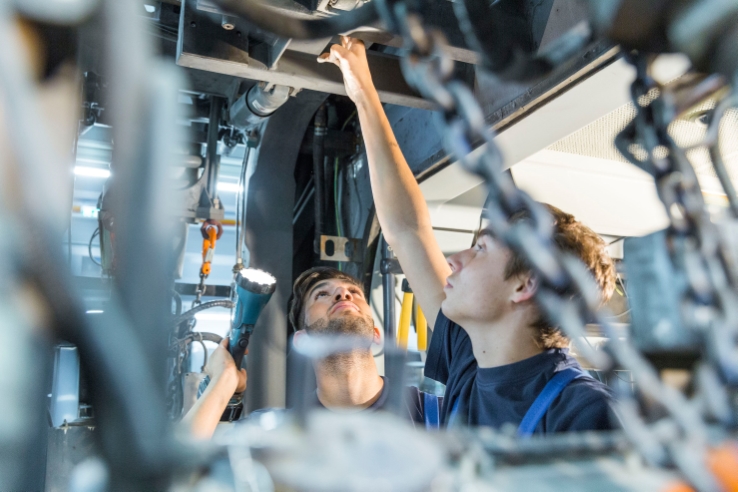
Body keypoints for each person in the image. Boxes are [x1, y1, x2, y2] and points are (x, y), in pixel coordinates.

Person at [317, 37, 618, 432]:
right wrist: (362, 94)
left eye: (480, 249)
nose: (456, 259)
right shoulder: (469, 356)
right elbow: (407, 230)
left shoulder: (584, 414)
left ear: (524, 285)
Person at [183, 267, 429, 439]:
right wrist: (224, 379)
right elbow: (180, 471)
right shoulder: (277, 433)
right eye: (322, 294)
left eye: (354, 293)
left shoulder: (434, 413)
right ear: (303, 341)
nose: (343, 295)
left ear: (376, 334)